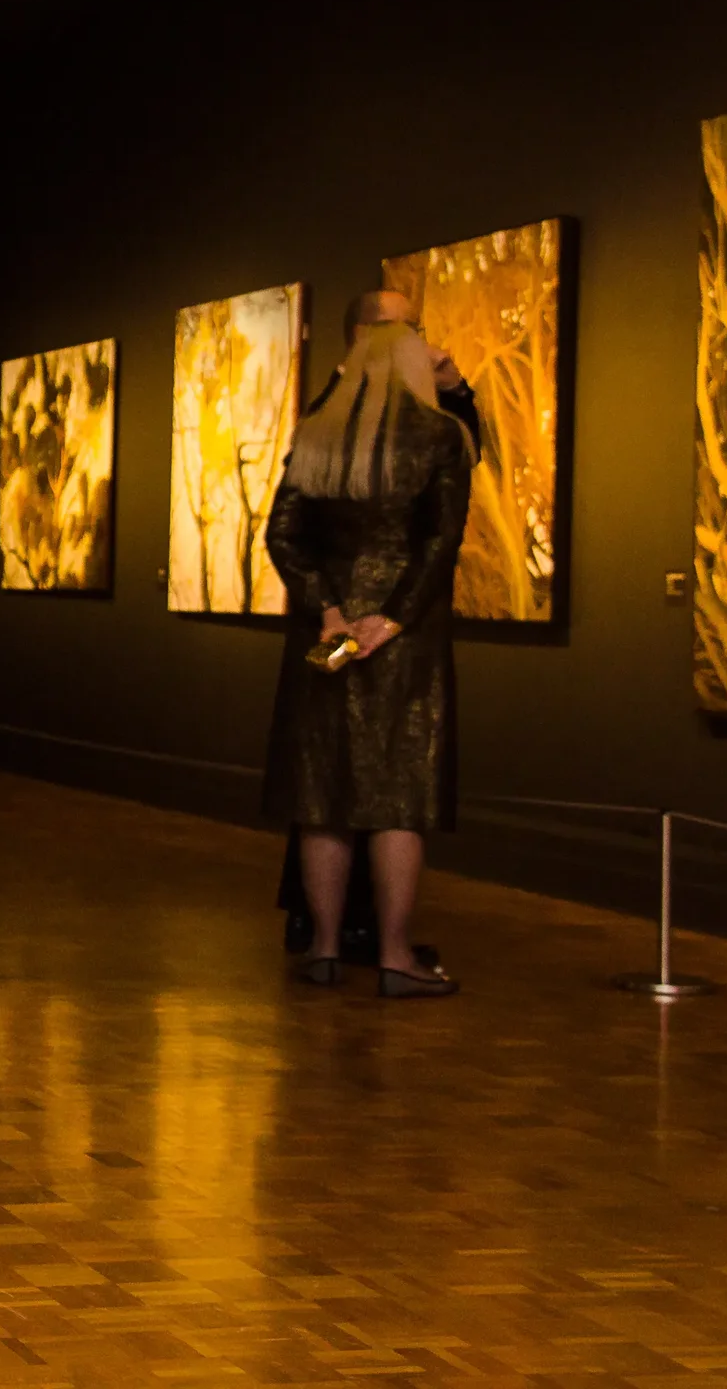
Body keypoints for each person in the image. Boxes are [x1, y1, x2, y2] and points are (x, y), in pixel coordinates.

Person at [262, 321, 472, 997]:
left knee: (323, 795)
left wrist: (328, 609)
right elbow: (442, 542)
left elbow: (283, 535)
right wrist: (393, 615)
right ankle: (394, 954)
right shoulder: (438, 436)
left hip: (329, 636)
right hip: (400, 642)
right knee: (398, 801)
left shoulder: (319, 432)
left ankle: (323, 948)